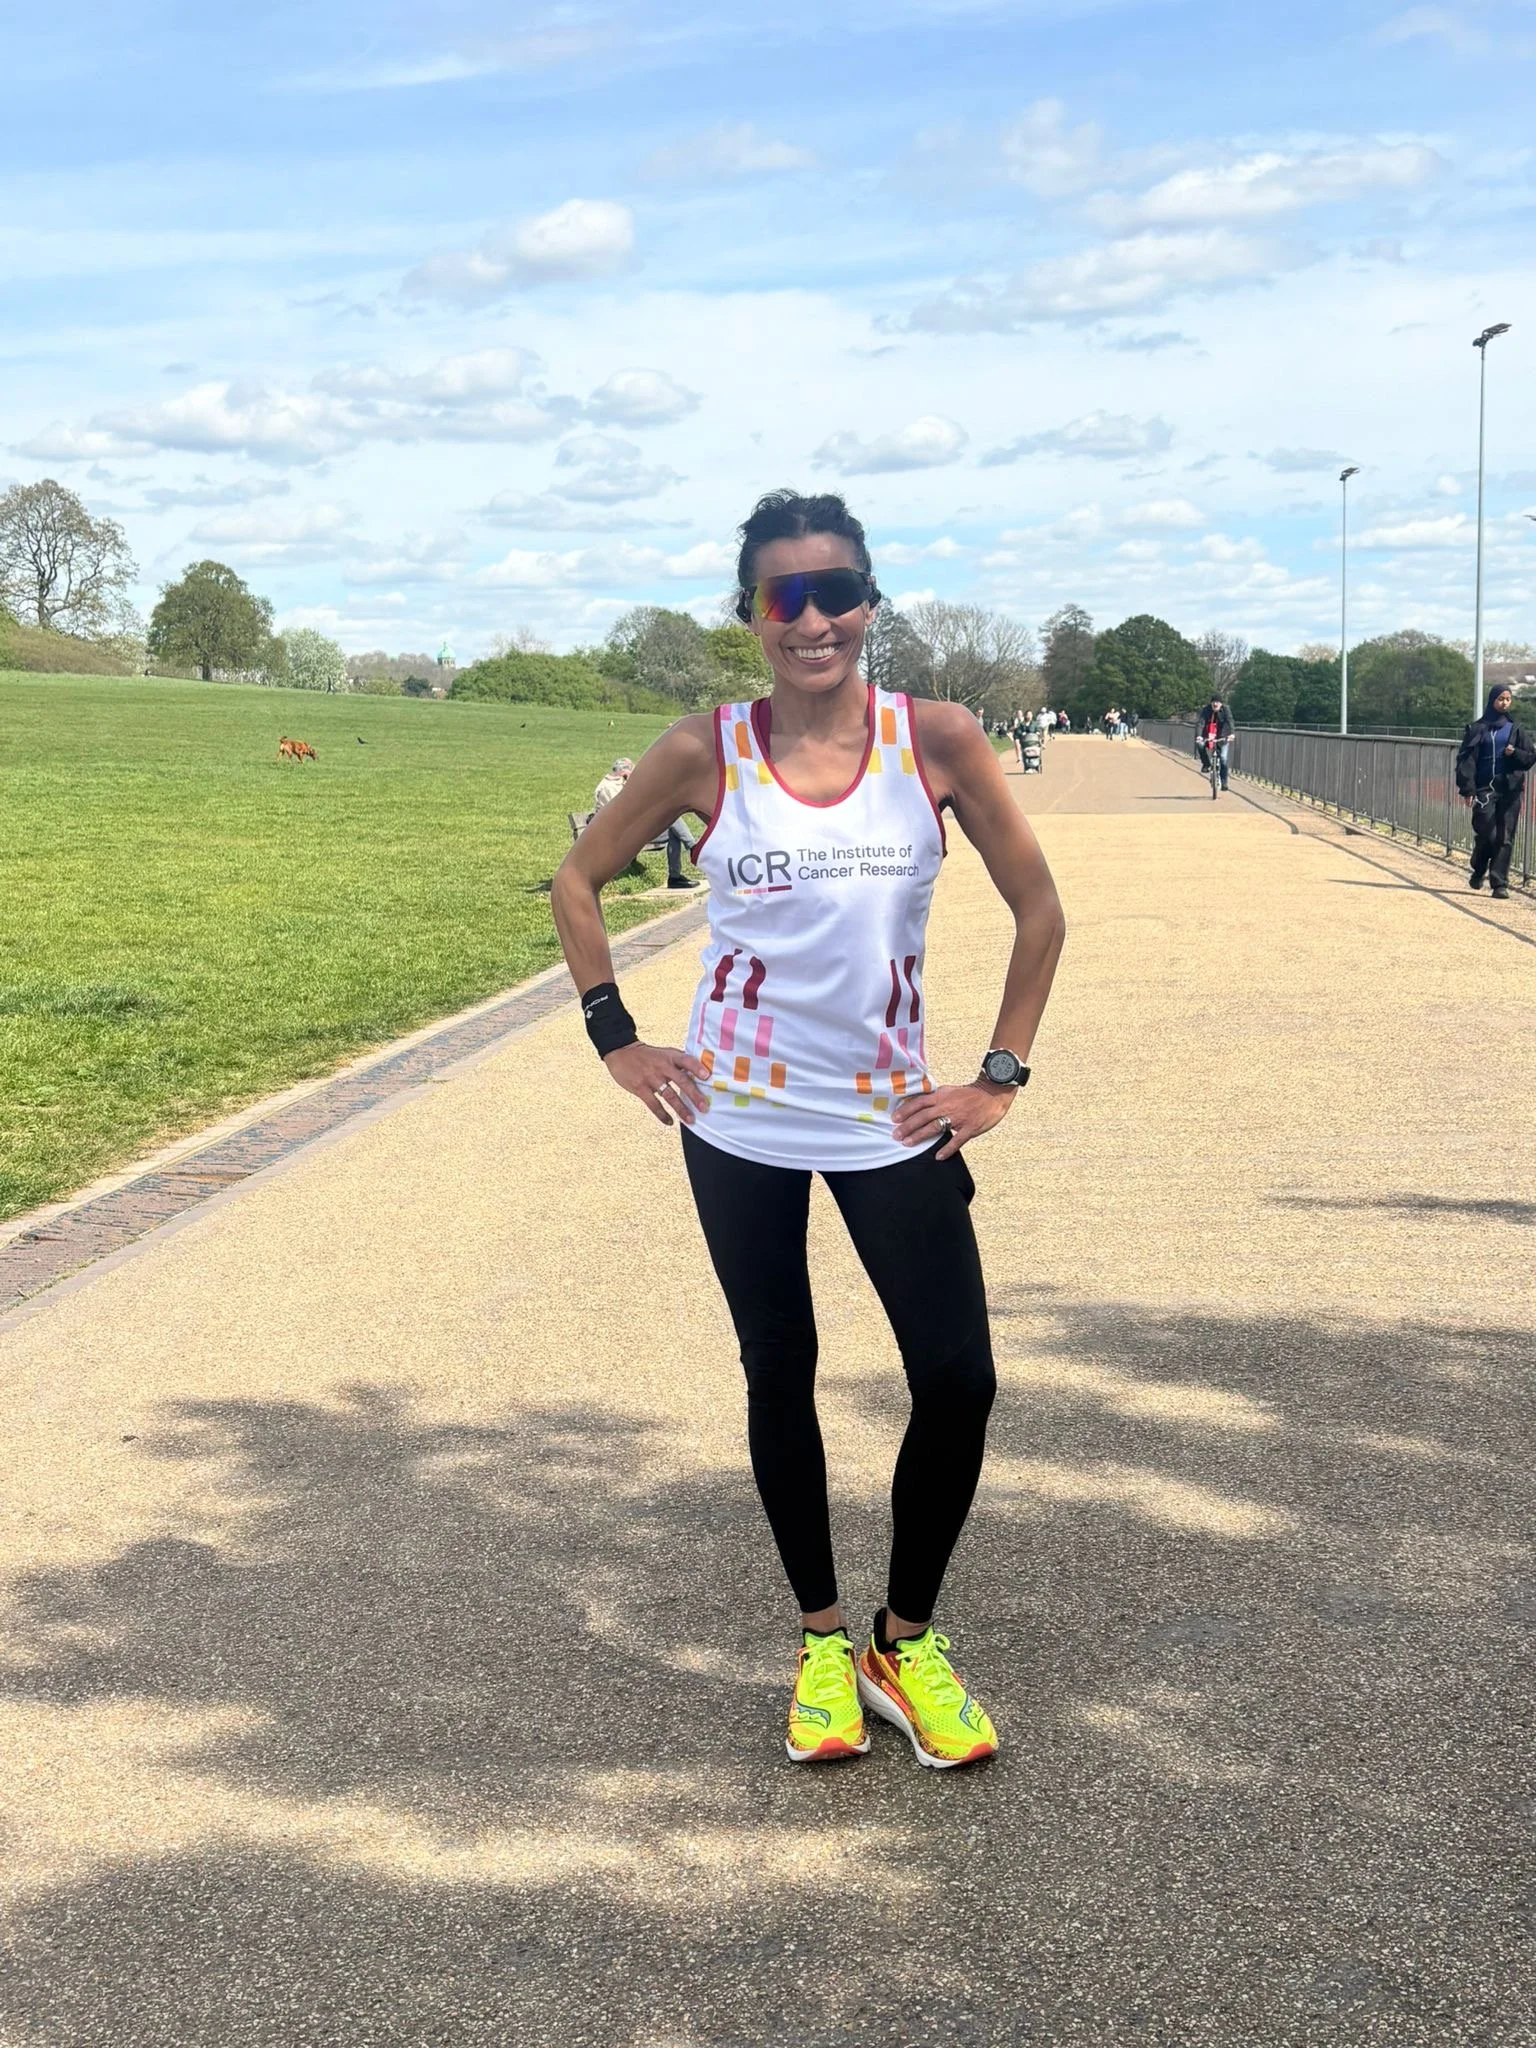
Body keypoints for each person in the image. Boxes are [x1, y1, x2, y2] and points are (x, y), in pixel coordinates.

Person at [552, 490, 1065, 1770]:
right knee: (780, 1368)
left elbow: (1040, 908)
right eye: (785, 597)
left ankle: (907, 1635)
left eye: (837, 590)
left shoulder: (934, 739)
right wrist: (618, 1039)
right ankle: (824, 1642)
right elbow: (577, 879)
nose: (814, 617)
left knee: (959, 1378)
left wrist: (997, 1074)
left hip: (894, 1116)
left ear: (870, 603)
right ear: (751, 616)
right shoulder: (703, 749)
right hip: (737, 1120)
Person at [1456, 684, 1535, 898]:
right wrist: (1468, 788)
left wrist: (1514, 752)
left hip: (1510, 790)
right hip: (1484, 790)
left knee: (1505, 837)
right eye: (1501, 699)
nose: (1505, 703)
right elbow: (1466, 761)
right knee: (1487, 834)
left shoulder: (1516, 729)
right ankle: (1479, 867)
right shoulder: (1477, 729)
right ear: (1492, 700)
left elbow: (1530, 758)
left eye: (1508, 699)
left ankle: (1499, 883)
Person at [594, 755, 700, 889]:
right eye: (632, 773)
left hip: (632, 828)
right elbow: (619, 815)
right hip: (622, 833)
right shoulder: (608, 787)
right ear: (624, 772)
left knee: (672, 823)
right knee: (671, 819)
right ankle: (693, 848)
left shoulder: (620, 784)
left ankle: (675, 876)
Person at [1195, 695, 1234, 789]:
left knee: (1223, 759)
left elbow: (1230, 721)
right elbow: (1201, 723)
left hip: (1223, 736)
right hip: (1208, 735)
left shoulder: (1226, 710)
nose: (1215, 704)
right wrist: (1199, 736)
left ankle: (1224, 783)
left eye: (1217, 702)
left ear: (1221, 704)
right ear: (1211, 703)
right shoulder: (1206, 710)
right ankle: (1206, 764)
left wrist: (1232, 734)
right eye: (1213, 702)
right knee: (1200, 744)